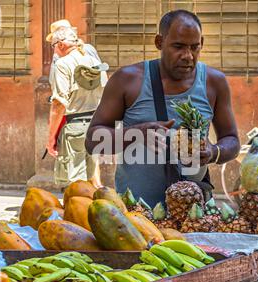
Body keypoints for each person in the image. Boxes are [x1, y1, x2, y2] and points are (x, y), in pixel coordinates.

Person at [85, 10, 240, 206]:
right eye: (178, 47)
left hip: (194, 213)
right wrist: (136, 134)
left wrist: (213, 152)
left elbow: (232, 141)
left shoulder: (214, 82)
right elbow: (92, 142)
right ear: (159, 42)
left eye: (195, 47)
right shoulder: (127, 80)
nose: (188, 56)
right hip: (137, 213)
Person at [46, 21, 108, 187]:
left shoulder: (62, 64)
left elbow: (59, 104)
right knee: (92, 178)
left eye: (53, 46)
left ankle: (77, 211)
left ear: (60, 44)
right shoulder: (93, 60)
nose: (53, 50)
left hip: (75, 126)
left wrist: (51, 137)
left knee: (76, 183)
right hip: (95, 124)